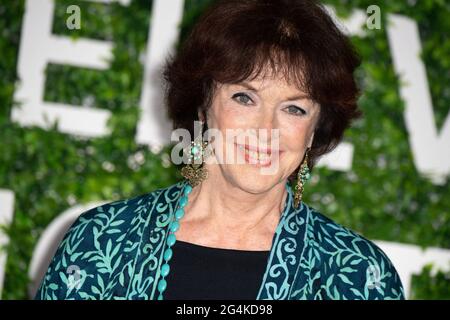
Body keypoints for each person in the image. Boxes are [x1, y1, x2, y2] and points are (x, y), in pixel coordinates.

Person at [35, 0, 404, 300]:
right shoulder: (101, 240)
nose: (266, 130)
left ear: (313, 132)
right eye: (244, 97)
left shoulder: (359, 276)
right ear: (203, 106)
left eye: (294, 108)